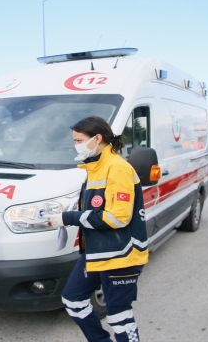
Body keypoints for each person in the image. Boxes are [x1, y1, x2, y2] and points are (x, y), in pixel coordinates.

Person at [45, 116, 148, 342]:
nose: (76, 145)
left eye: (79, 140)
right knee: (73, 300)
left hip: (122, 254)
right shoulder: (96, 167)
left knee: (119, 316)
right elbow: (96, 205)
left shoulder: (117, 168)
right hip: (97, 251)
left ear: (97, 138)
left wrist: (68, 217)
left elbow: (117, 217)